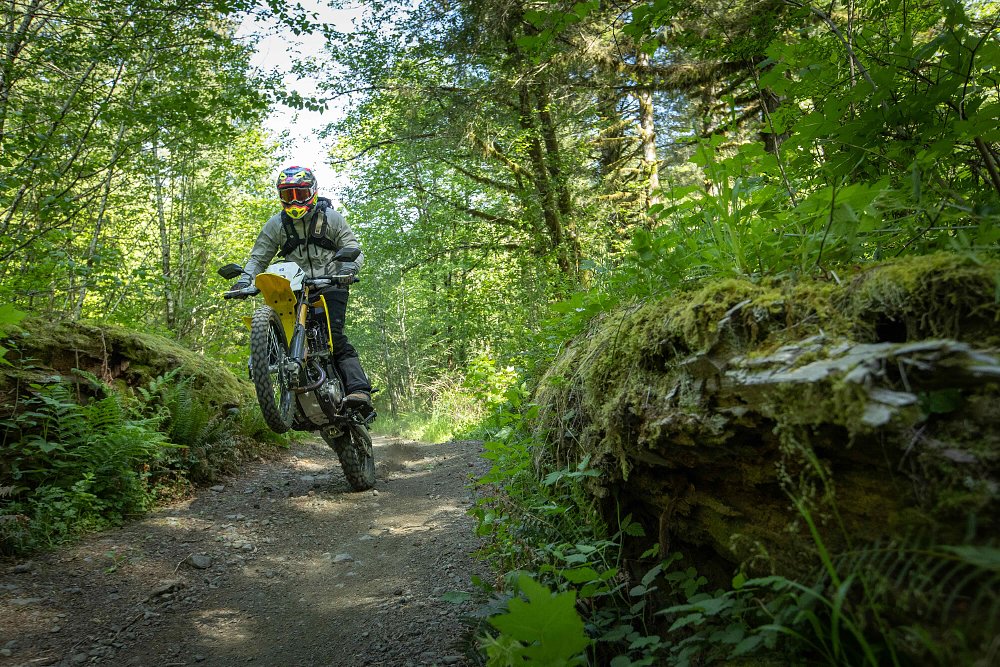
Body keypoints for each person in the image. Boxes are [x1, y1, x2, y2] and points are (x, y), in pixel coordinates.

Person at [230, 166, 373, 408]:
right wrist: (245, 279)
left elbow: (353, 249)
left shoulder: (331, 218)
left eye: (300, 193)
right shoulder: (276, 224)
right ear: (280, 197)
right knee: (281, 339)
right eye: (288, 195)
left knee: (332, 339)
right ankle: (276, 394)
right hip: (293, 288)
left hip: (331, 283)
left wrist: (348, 270)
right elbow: (258, 258)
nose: (294, 200)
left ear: (313, 192)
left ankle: (359, 390)